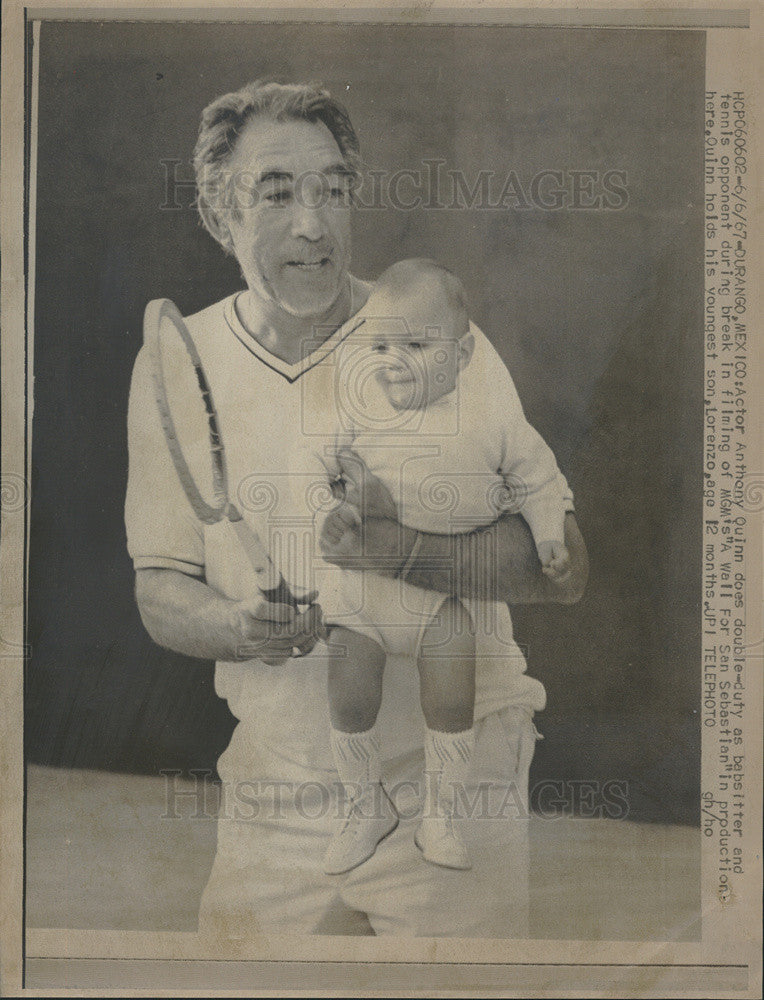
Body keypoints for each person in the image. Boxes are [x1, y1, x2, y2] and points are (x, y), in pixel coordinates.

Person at [126, 79, 588, 937]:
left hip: (453, 775)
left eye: (332, 190)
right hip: (277, 785)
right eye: (277, 193)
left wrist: (397, 553)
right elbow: (160, 586)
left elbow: (564, 571)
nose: (314, 222)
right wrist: (238, 628)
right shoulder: (175, 362)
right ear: (220, 214)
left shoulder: (434, 338)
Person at [302, 258, 571, 875]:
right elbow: (315, 472)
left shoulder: (494, 421)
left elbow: (540, 480)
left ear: (463, 352)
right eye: (382, 345)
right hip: (365, 591)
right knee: (347, 684)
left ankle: (442, 817)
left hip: (440, 596)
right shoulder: (358, 410)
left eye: (417, 345)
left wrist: (549, 533)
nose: (393, 360)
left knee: (452, 693)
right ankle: (362, 803)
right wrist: (334, 509)